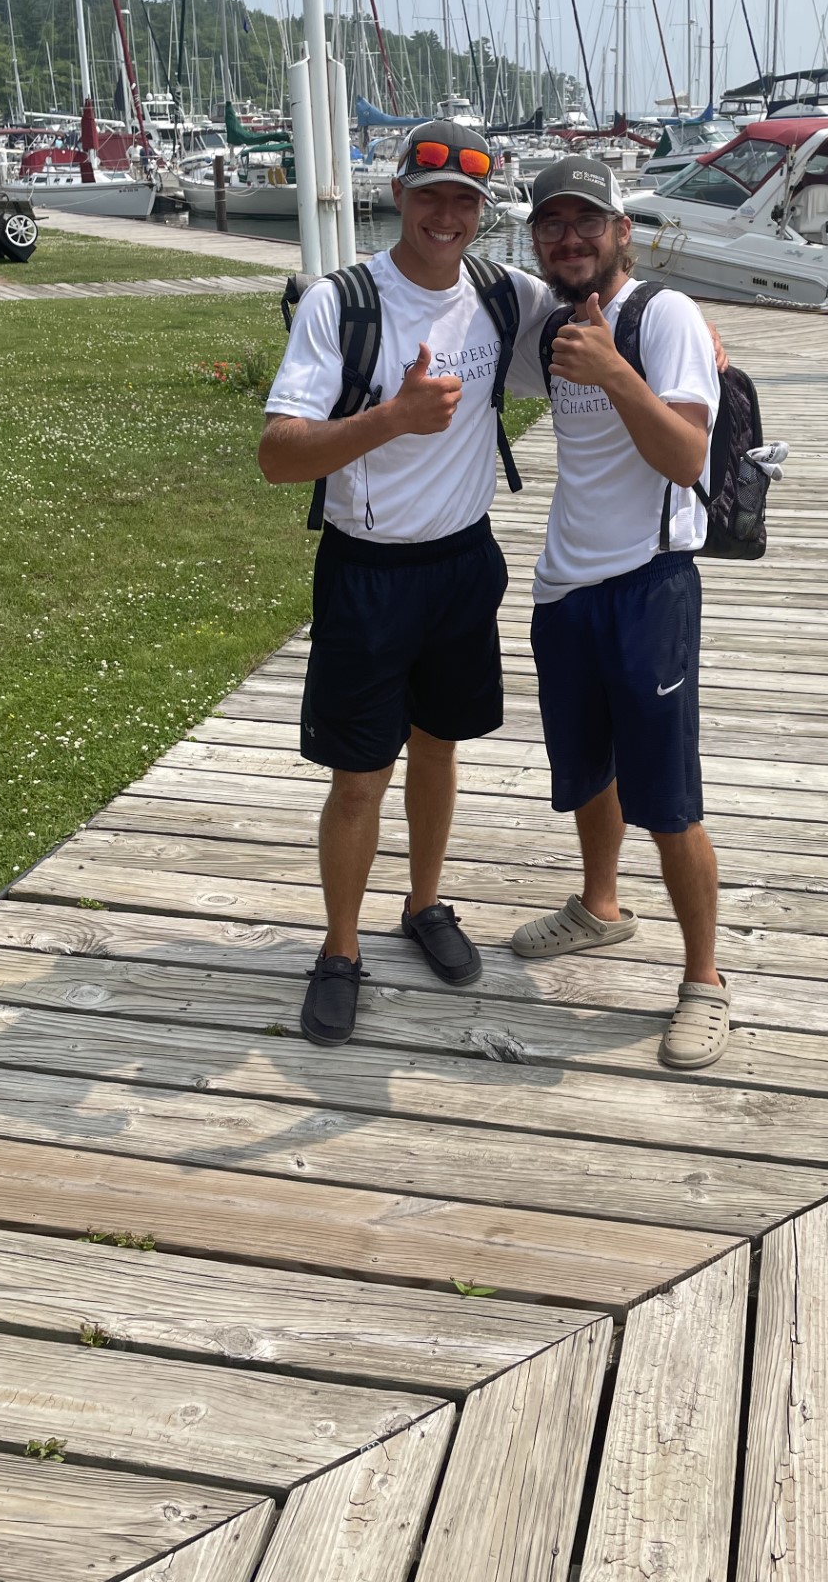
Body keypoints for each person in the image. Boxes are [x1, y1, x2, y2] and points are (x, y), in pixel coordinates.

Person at [259, 120, 551, 1047]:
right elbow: (277, 456)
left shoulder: (504, 294)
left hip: (464, 564)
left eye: (466, 200)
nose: (447, 215)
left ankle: (424, 904)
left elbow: (602, 308)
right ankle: (340, 949)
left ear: (482, 211)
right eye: (430, 195)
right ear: (398, 195)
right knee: (358, 777)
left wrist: (689, 327)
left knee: (440, 747)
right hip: (368, 571)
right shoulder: (341, 303)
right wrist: (393, 418)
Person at [503, 156, 730, 1071]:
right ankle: (600, 907)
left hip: (649, 583)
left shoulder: (662, 316)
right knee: (587, 770)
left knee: (668, 800)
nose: (569, 238)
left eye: (586, 222)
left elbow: (686, 457)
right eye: (552, 225)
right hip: (564, 586)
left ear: (622, 230)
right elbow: (466, 296)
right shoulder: (550, 323)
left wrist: (613, 370)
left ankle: (706, 981)